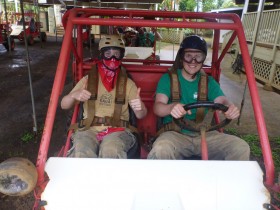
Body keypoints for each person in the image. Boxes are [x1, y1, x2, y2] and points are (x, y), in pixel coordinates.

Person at [148, 35, 250, 160]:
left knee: (240, 147)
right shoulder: (168, 79)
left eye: (198, 56)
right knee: (161, 149)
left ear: (203, 58)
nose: (193, 62)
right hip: (175, 135)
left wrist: (229, 108)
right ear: (181, 57)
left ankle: (226, 179)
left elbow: (221, 100)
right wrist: (172, 107)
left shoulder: (208, 81)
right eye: (188, 56)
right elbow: (158, 107)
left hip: (206, 133)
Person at [61, 35, 147, 158]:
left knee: (111, 150)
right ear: (101, 55)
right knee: (81, 149)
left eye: (116, 54)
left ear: (121, 56)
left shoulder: (128, 83)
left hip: (118, 130)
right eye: (108, 54)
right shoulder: (88, 80)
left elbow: (141, 114)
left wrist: (140, 107)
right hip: (89, 129)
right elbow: (64, 105)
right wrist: (74, 95)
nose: (112, 58)